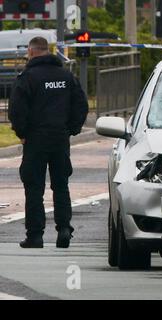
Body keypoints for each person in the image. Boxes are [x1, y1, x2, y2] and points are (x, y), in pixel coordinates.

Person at [8, 37, 88, 249]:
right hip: (60, 138)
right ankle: (63, 229)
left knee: (34, 187)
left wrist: (22, 133)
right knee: (61, 185)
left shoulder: (27, 78)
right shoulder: (66, 76)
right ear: (47, 51)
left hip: (35, 139)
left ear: (32, 52)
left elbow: (16, 109)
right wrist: (72, 129)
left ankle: (35, 236)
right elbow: (81, 104)